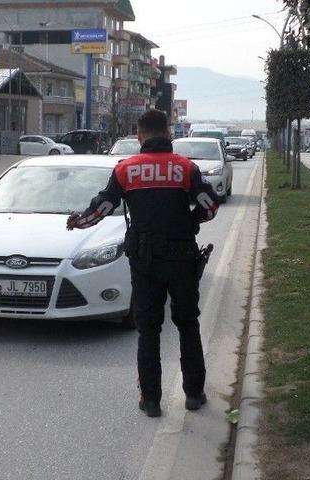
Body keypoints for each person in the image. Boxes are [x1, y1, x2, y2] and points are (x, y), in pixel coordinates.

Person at [66, 109, 220, 417]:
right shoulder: (186, 168)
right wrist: (191, 222)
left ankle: (150, 401)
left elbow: (102, 208)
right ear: (168, 133)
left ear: (139, 135)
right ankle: (194, 394)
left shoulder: (126, 170)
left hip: (145, 262)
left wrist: (77, 222)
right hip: (182, 259)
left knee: (149, 330)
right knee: (187, 323)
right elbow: (211, 205)